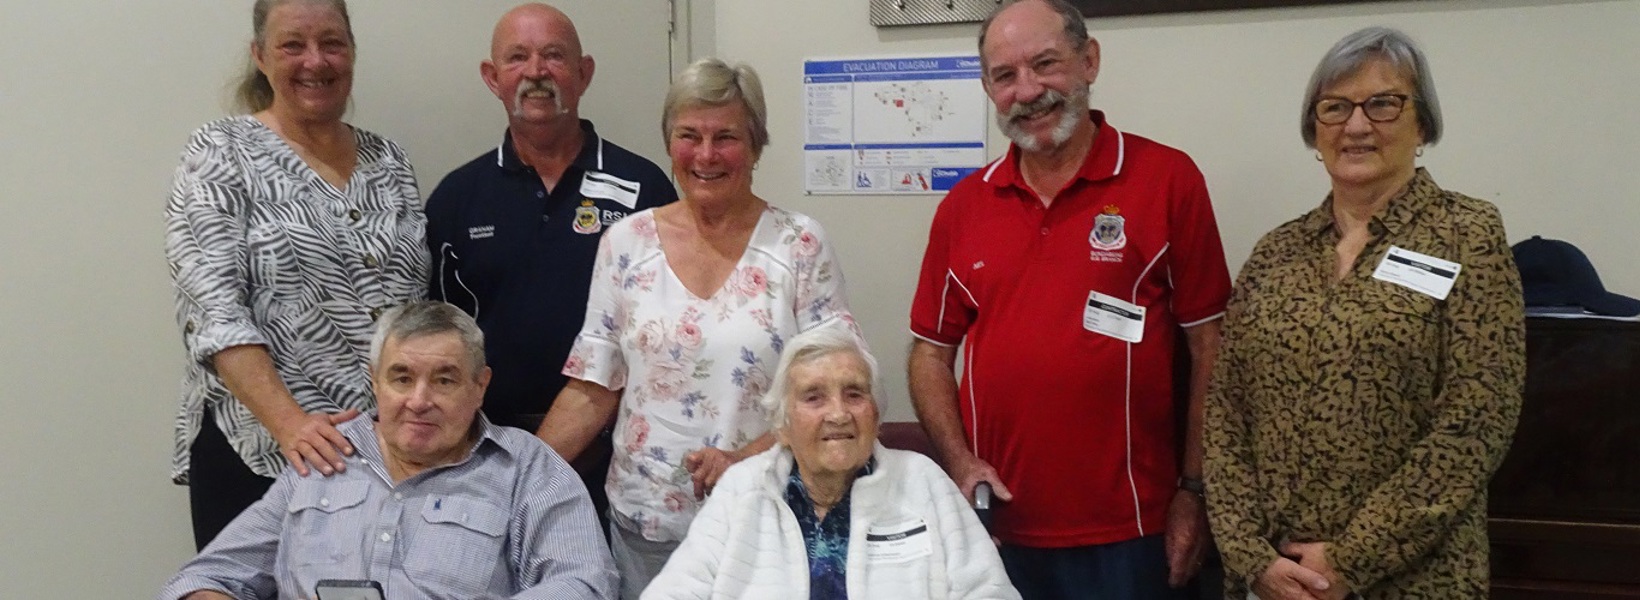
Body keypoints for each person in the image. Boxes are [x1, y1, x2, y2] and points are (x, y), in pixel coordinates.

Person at [906, 0, 1232, 597]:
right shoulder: (964, 207)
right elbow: (928, 354)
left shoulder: (1167, 181)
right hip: (998, 527)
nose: (1028, 91)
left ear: (1089, 61)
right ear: (987, 88)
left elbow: (1209, 346)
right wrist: (958, 462)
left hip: (1132, 531)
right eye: (1005, 76)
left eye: (1046, 65)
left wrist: (1196, 490)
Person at [1203, 27, 1524, 600]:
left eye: (1383, 103)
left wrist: (1351, 559)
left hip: (1413, 578)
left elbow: (1478, 421)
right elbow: (1225, 413)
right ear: (1315, 129)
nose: (1356, 126)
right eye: (1335, 108)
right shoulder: (1276, 252)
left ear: (1421, 123)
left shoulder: (1467, 235)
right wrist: (1251, 556)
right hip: (1274, 579)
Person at [537, 57, 856, 598]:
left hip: (768, 519)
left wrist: (742, 460)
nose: (705, 155)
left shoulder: (798, 245)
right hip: (647, 527)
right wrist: (518, 472)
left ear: (755, 145)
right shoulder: (626, 243)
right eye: (689, 135)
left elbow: (837, 398)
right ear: (669, 143)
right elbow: (594, 383)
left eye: (726, 137)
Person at [165, 0, 428, 550]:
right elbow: (212, 313)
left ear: (352, 53)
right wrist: (291, 425)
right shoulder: (218, 153)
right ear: (260, 56)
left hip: (380, 455)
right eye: (293, 45)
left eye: (332, 43)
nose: (316, 60)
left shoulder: (389, 161)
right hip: (260, 452)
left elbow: (413, 309)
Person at [156, 301, 617, 600]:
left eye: (444, 380)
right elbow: (203, 578)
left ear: (480, 387)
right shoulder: (323, 459)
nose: (419, 401)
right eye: (401, 378)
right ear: (375, 382)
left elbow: (585, 583)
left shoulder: (525, 469)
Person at [423, 2, 677, 525]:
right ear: (492, 78)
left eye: (554, 56)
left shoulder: (645, 189)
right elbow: (437, 335)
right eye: (518, 57)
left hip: (619, 457)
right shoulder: (456, 198)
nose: (536, 72)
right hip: (487, 456)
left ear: (583, 72)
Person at [642, 325, 1020, 600]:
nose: (838, 414)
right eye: (814, 397)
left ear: (875, 415)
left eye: (854, 394)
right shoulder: (743, 488)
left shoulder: (923, 481)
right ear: (783, 427)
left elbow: (989, 592)